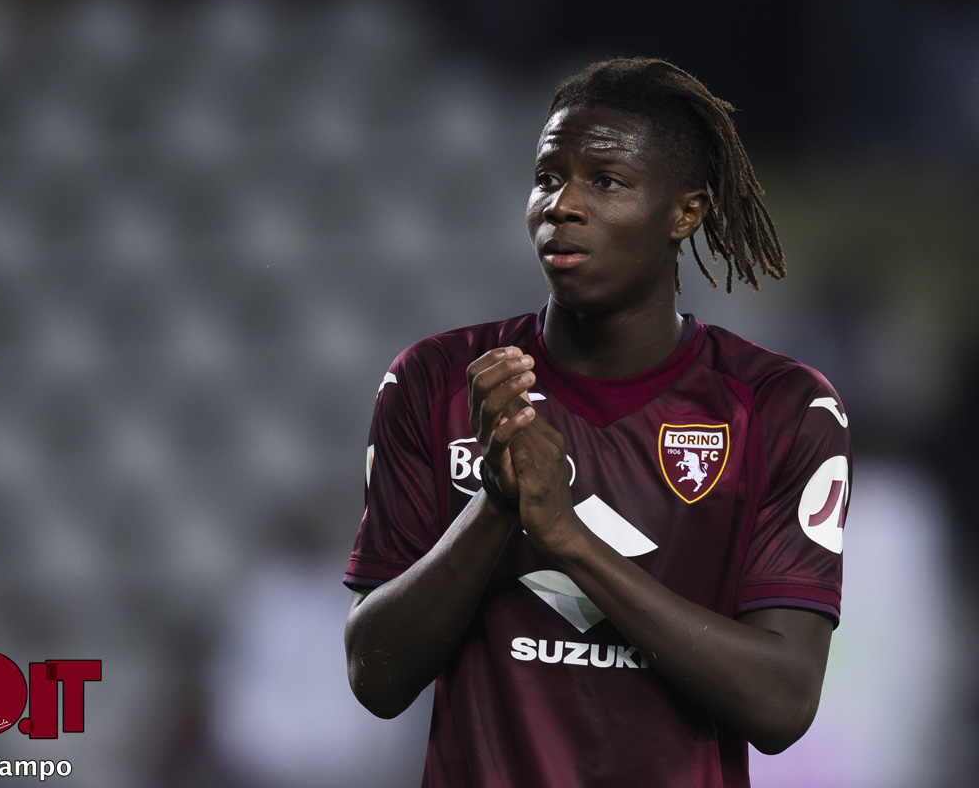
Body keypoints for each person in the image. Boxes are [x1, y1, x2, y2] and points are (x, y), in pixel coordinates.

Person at [342, 57, 852, 787]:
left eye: (606, 181)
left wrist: (570, 540)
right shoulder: (435, 382)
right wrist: (497, 502)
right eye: (548, 177)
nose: (563, 205)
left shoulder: (781, 407)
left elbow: (782, 703)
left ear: (685, 212)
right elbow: (376, 678)